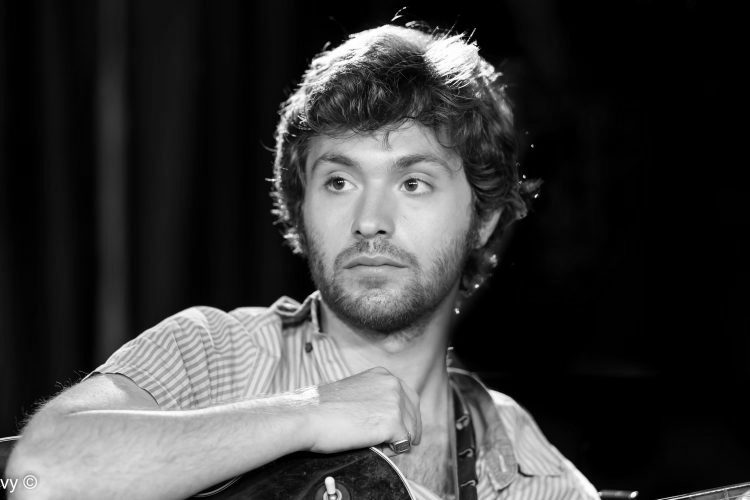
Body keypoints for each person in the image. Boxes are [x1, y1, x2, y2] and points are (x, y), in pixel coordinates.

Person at [7, 23, 598, 499]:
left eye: (413, 183)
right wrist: (310, 413)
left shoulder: (526, 466)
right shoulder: (212, 353)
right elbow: (40, 474)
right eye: (339, 181)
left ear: (483, 220)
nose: (370, 220)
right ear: (301, 206)